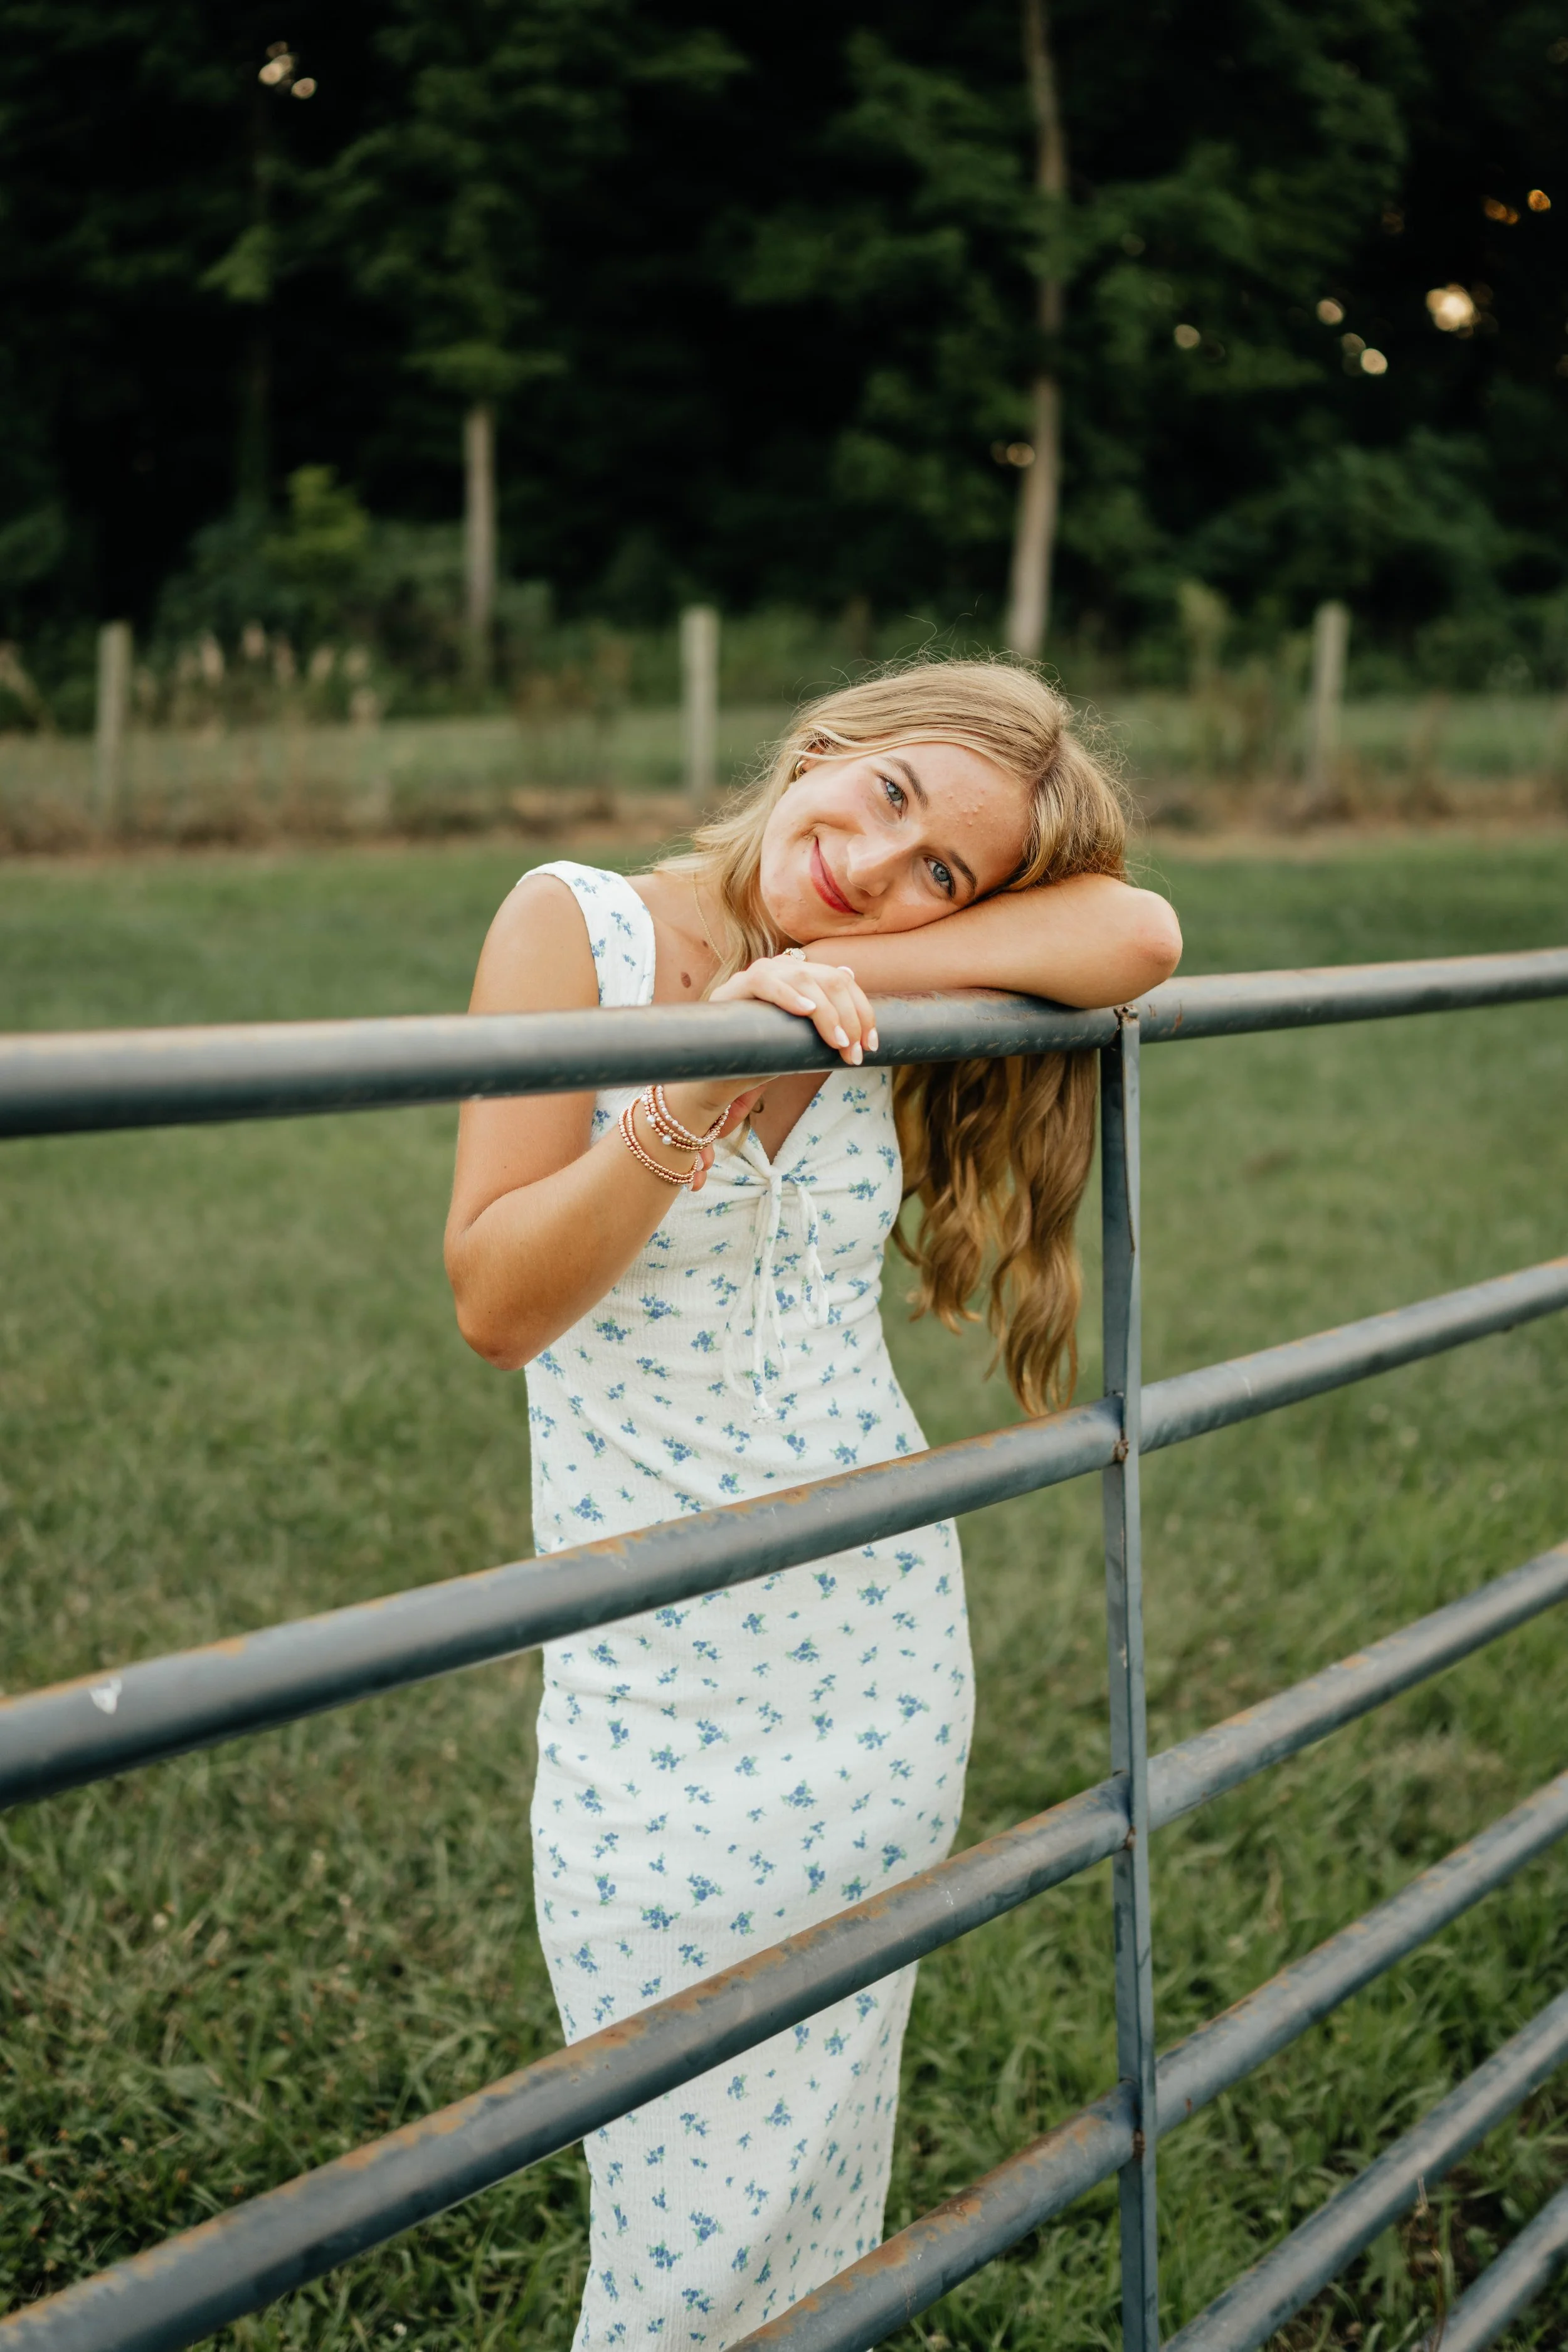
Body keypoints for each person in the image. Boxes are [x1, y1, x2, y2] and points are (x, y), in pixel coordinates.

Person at [445, 658, 1182, 2349]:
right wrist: (697, 1085)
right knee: (674, 2205)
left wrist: (831, 966)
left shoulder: (856, 970)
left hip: (872, 1643)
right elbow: (495, 1300)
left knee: (817, 2180)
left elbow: (1134, 938)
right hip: (651, 1665)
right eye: (893, 793)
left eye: (945, 874)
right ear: (828, 741)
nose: (874, 854)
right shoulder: (575, 925)